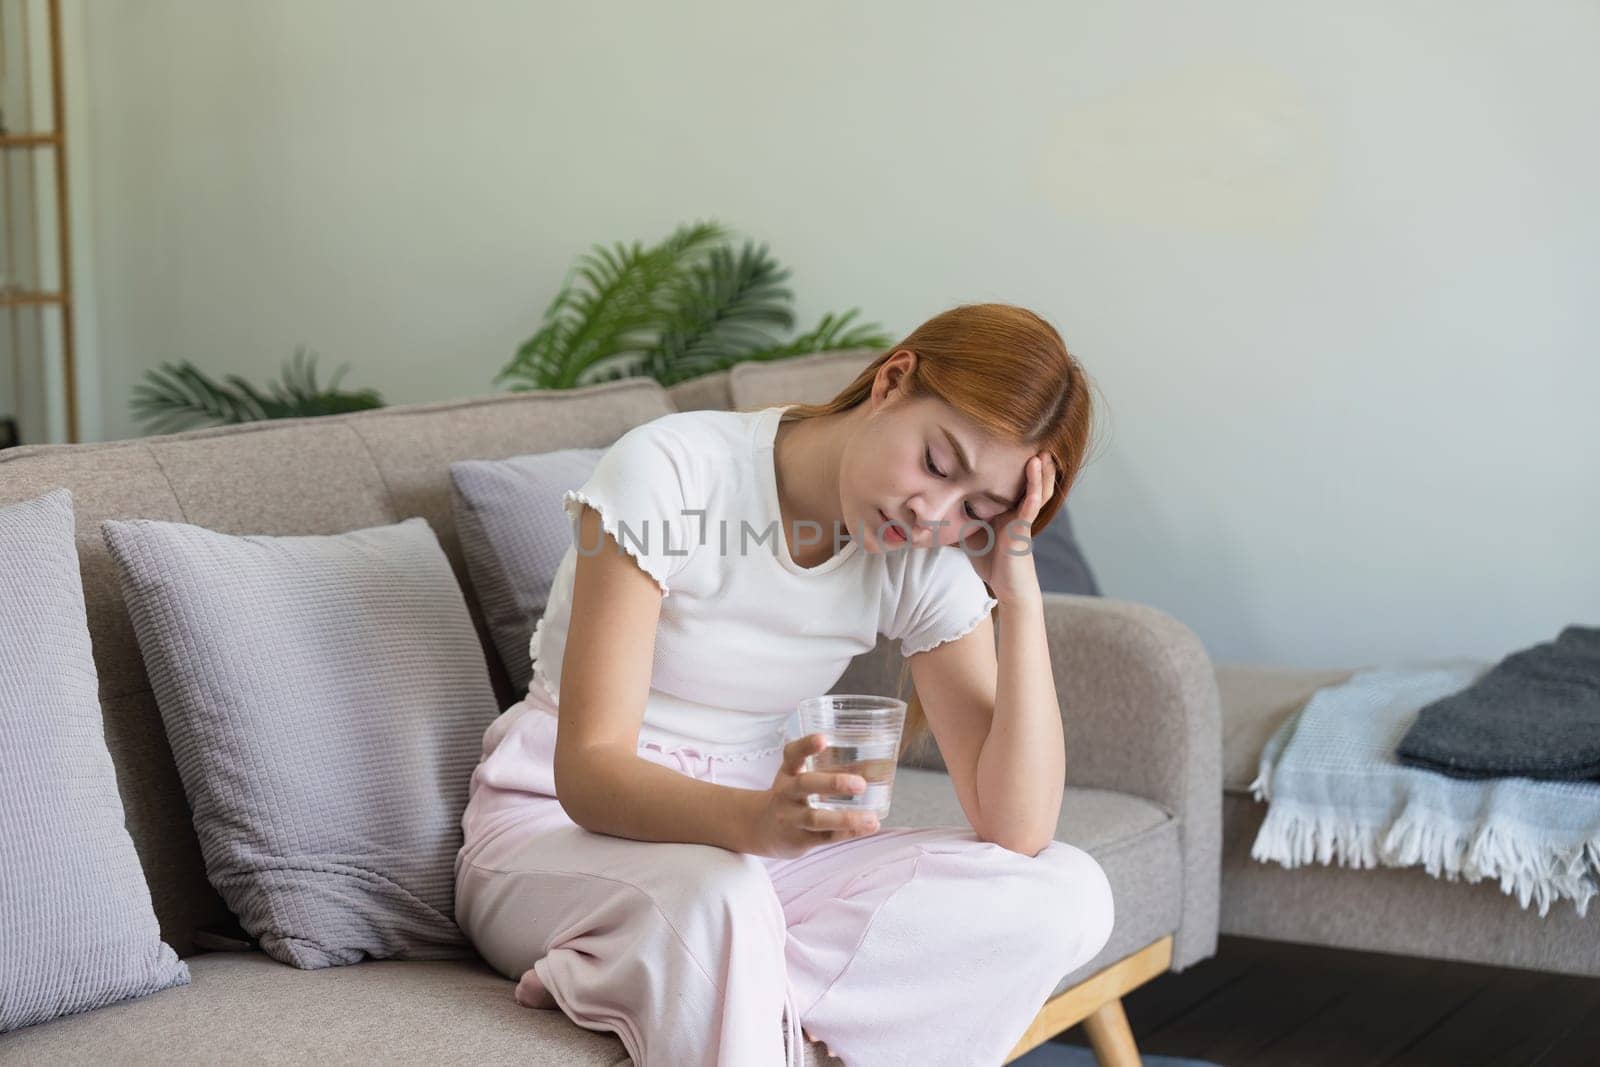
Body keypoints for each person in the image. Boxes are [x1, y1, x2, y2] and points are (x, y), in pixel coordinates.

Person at [453, 302, 1116, 1066]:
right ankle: (677, 975)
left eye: (977, 507)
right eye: (937, 463)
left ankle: (654, 981)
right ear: (894, 380)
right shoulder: (671, 469)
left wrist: (1018, 590)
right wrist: (759, 822)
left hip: (759, 852)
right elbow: (588, 769)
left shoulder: (921, 551)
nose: (932, 512)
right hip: (554, 832)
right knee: (717, 895)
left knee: (1069, 889)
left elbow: (1018, 827)